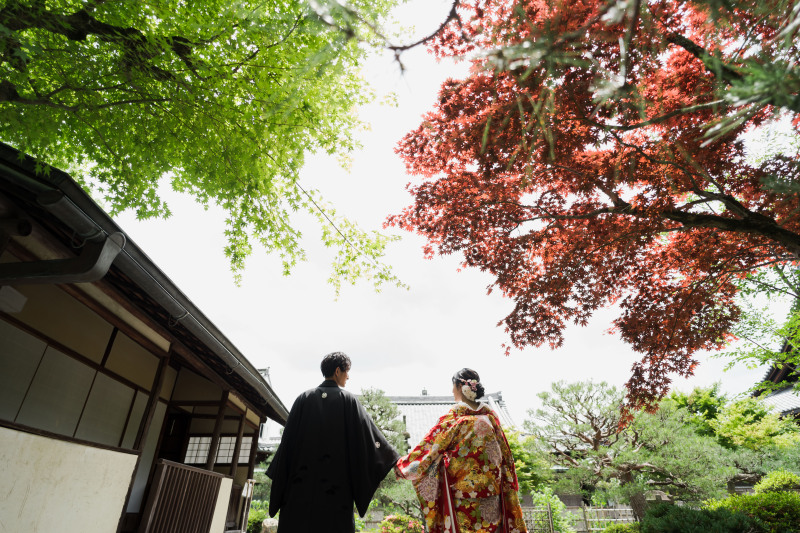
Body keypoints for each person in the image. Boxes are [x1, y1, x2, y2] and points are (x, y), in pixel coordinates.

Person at [266, 352, 399, 533]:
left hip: (298, 495)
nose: (348, 377)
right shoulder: (349, 401)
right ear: (338, 371)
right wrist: (392, 458)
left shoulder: (303, 399)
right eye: (347, 372)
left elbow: (286, 446)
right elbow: (371, 441)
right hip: (335, 498)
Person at [396, 368, 529, 533]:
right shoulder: (491, 418)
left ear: (460, 386)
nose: (452, 391)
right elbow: (506, 456)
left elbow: (429, 449)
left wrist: (404, 466)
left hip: (464, 498)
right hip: (492, 495)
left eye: (453, 386)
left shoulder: (454, 419)